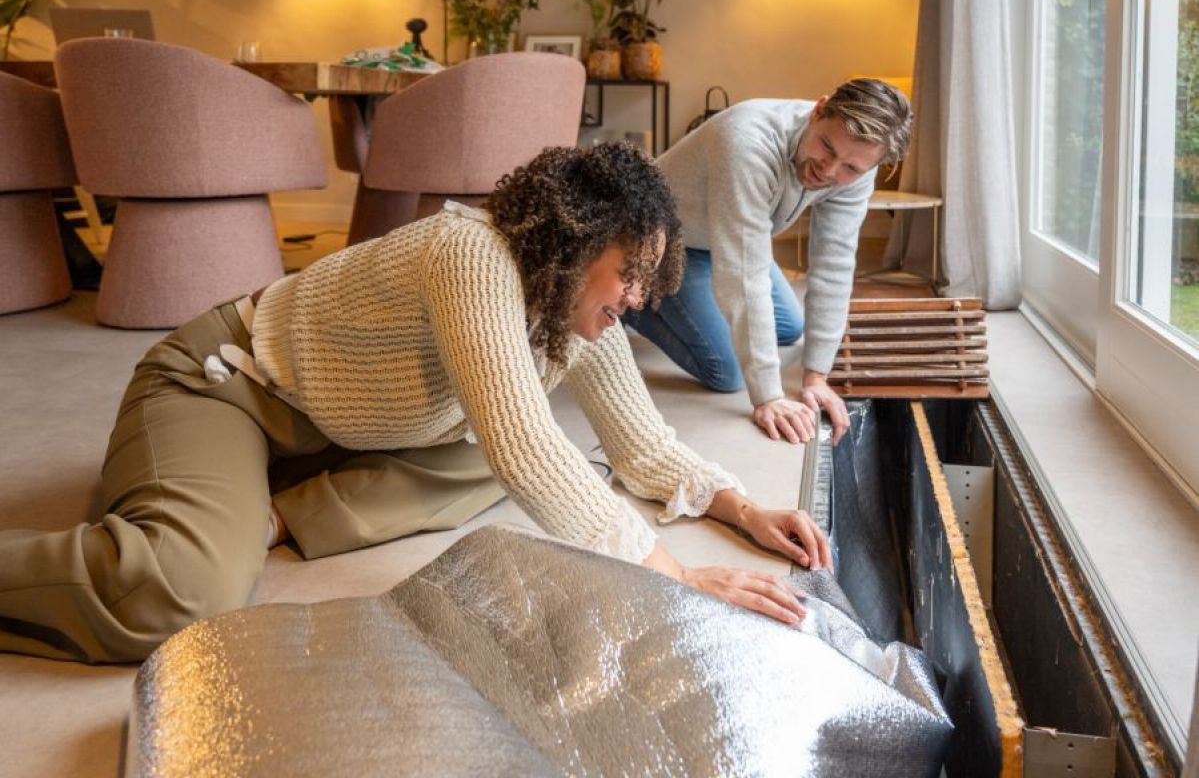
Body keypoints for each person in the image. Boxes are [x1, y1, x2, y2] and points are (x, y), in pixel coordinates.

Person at [0, 143, 831, 664]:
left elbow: (641, 446)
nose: (645, 298)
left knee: (549, 464)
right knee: (181, 591)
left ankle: (279, 517)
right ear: (577, 242)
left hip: (342, 426)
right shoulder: (468, 252)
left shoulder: (574, 311)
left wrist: (743, 507)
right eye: (633, 271)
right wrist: (677, 576)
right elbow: (522, 447)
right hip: (227, 385)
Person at [625, 79, 912, 446]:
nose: (829, 171)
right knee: (728, 371)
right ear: (819, 110)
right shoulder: (747, 140)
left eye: (850, 168)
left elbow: (834, 263)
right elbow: (745, 273)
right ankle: (633, 302)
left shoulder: (858, 166)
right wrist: (770, 397)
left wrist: (816, 377)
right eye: (826, 146)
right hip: (663, 242)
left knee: (790, 327)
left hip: (716, 239)